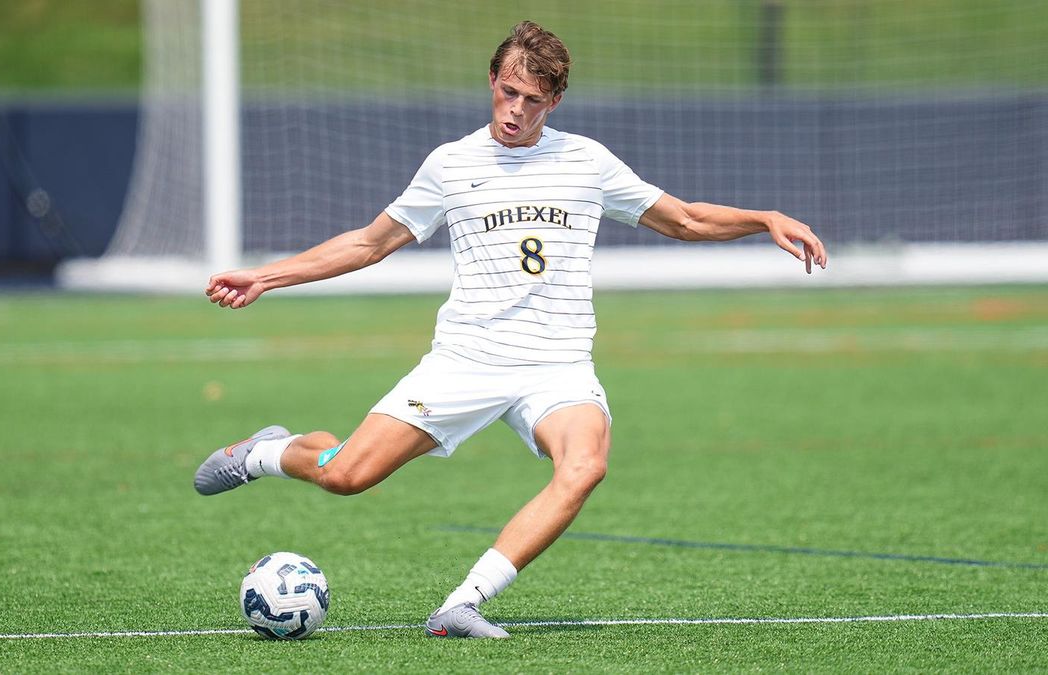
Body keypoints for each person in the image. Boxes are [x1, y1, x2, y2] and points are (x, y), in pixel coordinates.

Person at [194, 20, 827, 639]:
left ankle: (462, 604)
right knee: (344, 475)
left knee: (584, 466)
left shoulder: (587, 161)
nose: (515, 110)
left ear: (554, 101)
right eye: (508, 91)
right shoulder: (451, 164)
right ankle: (266, 452)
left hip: (558, 366)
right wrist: (266, 277)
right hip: (466, 361)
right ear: (492, 79)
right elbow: (368, 242)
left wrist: (762, 217)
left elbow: (684, 219)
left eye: (532, 99)